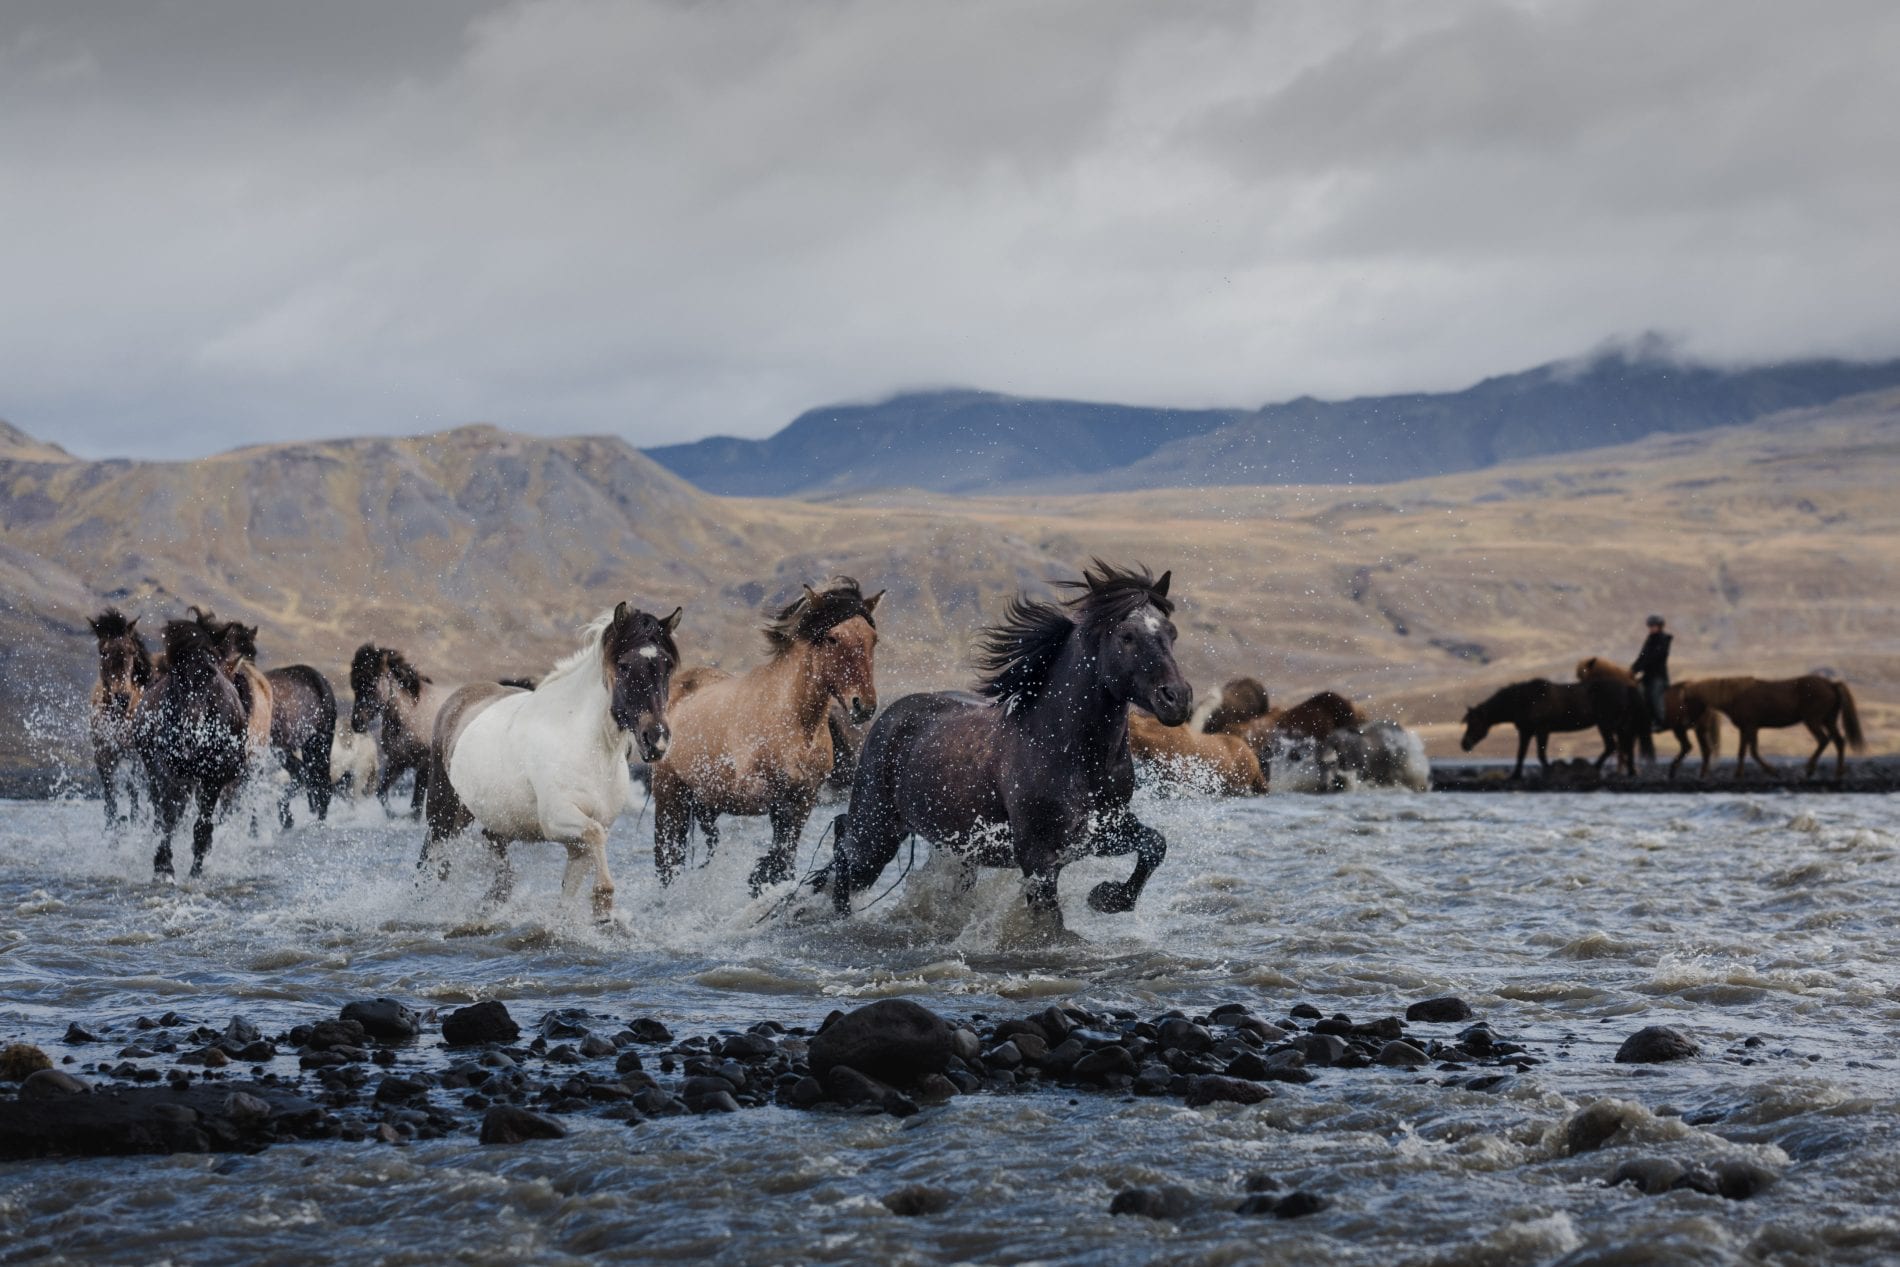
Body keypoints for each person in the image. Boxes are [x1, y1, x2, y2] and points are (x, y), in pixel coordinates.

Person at [1630, 615, 1671, 729]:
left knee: (1654, 695)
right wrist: (1633, 669)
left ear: (1660, 626)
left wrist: (1641, 666)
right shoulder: (1650, 639)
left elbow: (1655, 657)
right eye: (1650, 626)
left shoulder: (1664, 639)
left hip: (1658, 676)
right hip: (1647, 675)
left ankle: (1660, 721)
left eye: (1654, 626)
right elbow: (1642, 655)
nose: (1651, 628)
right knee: (1637, 693)